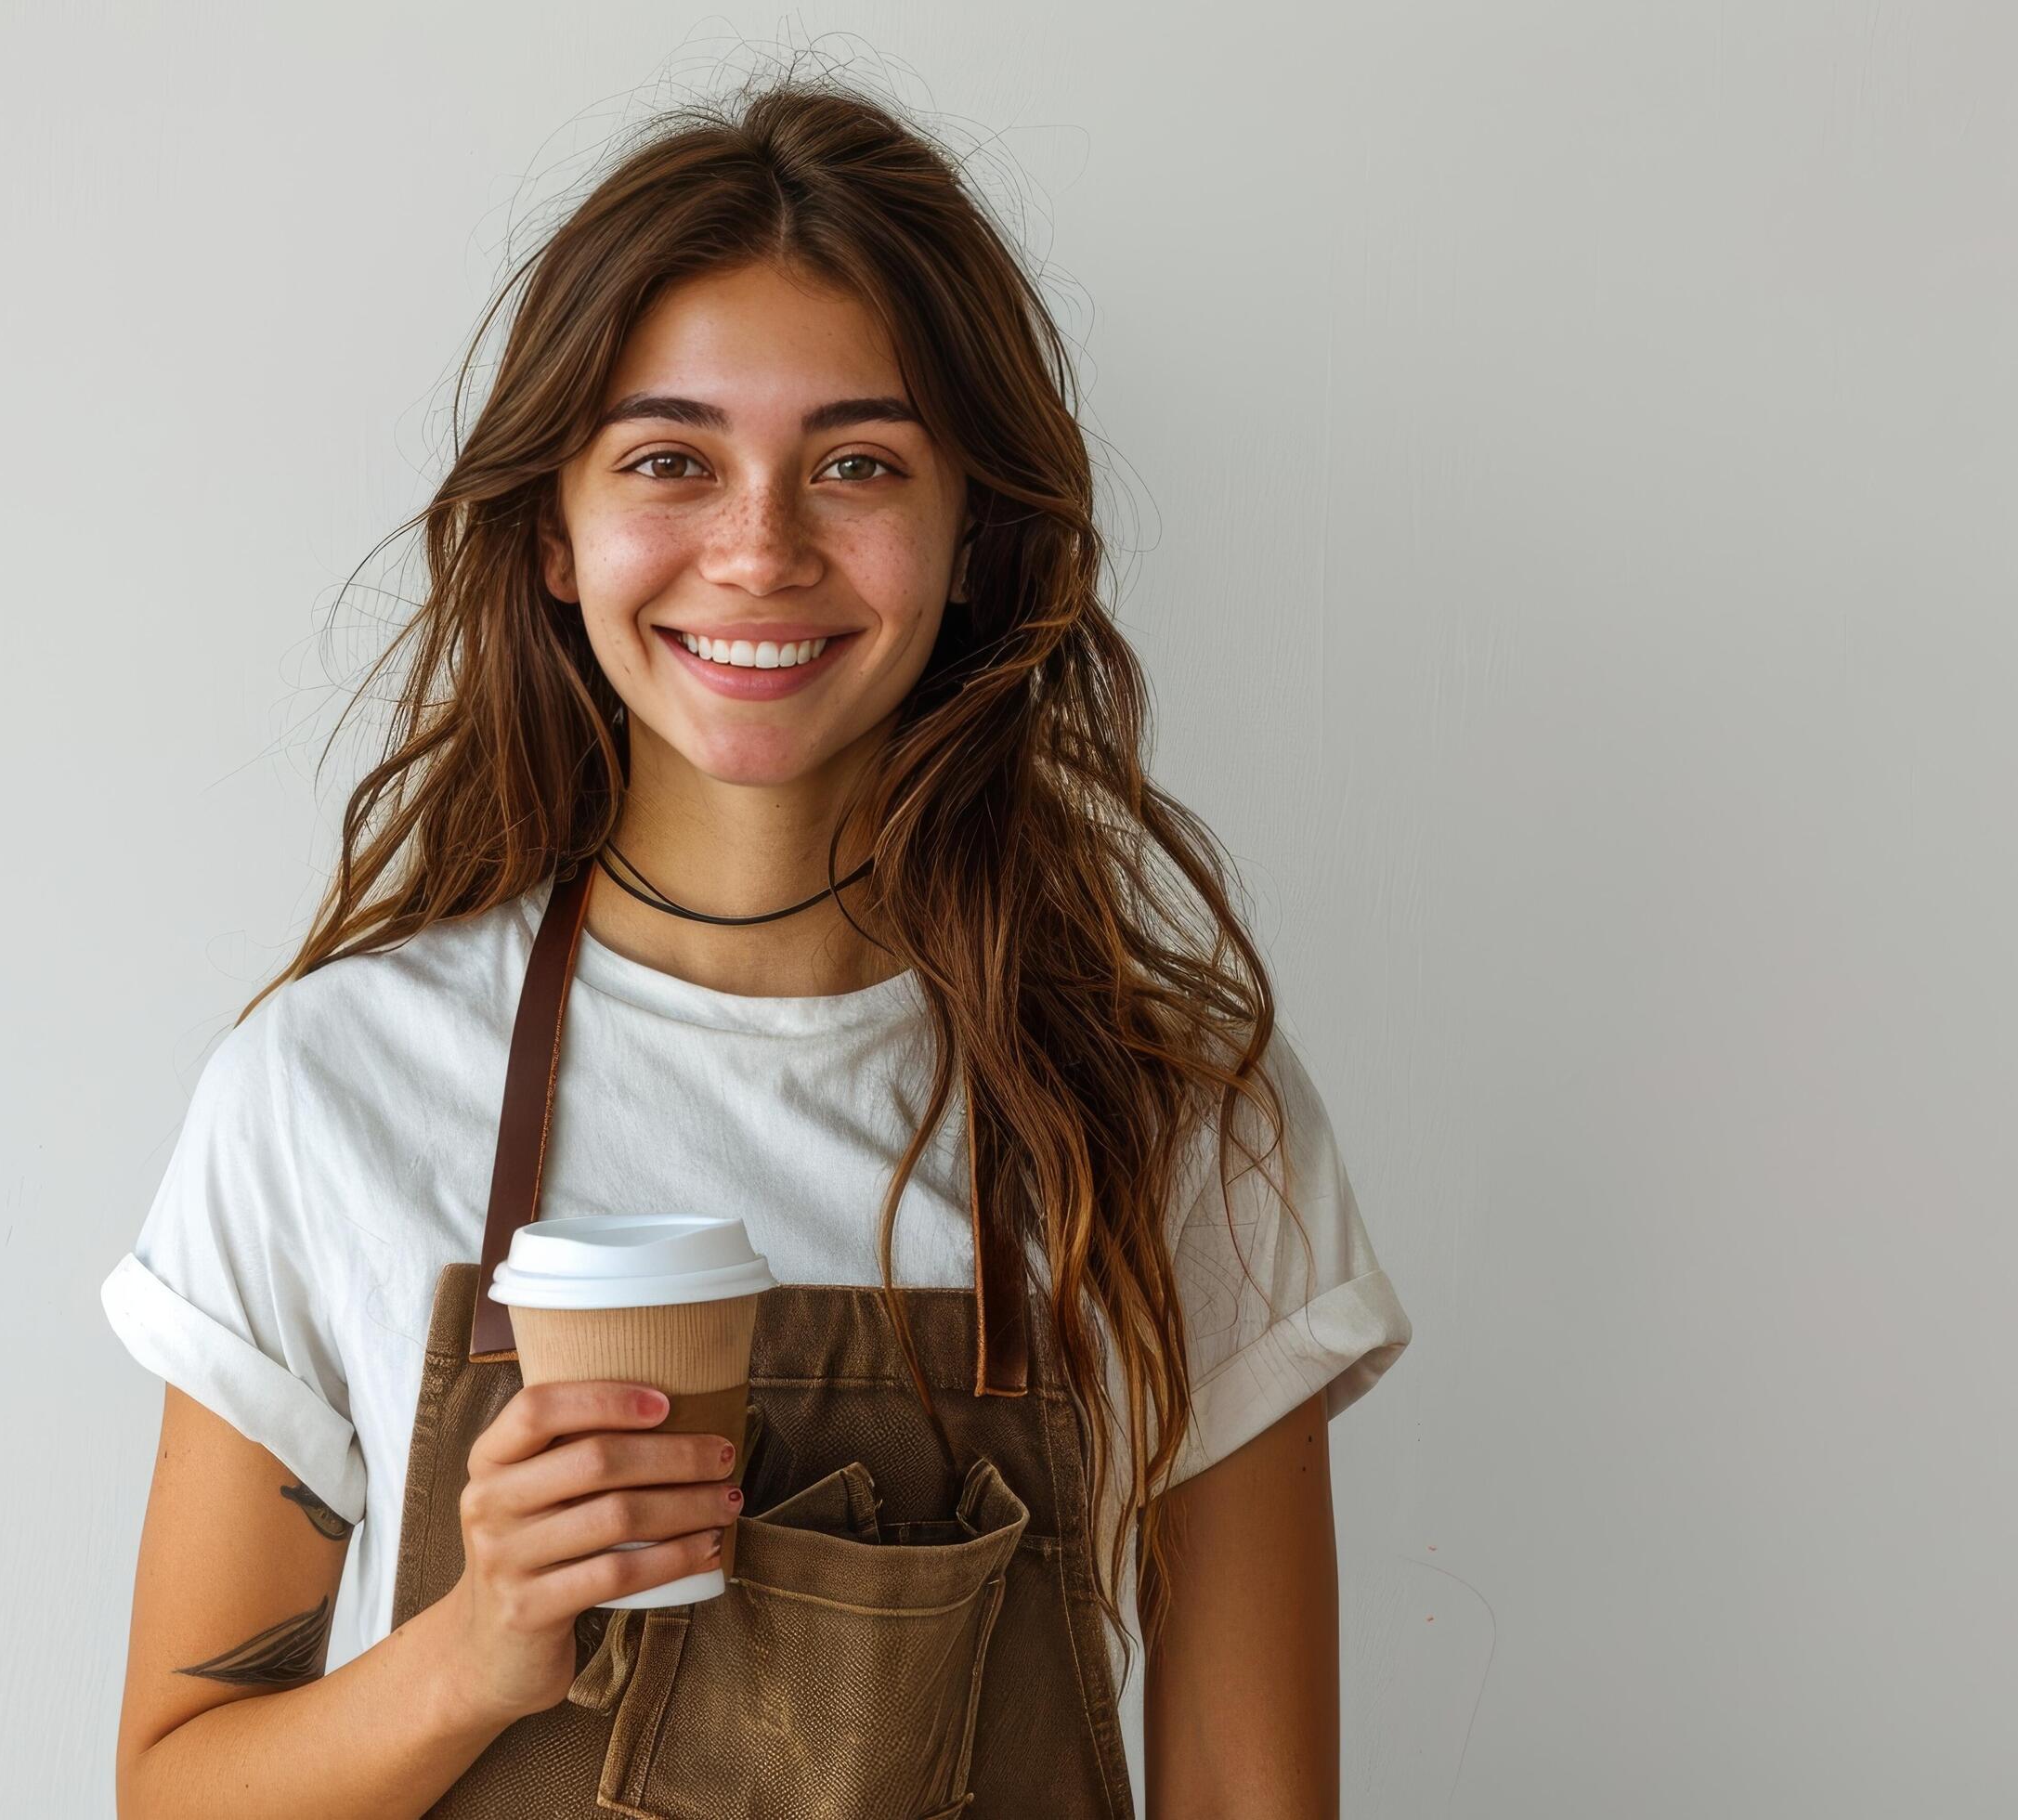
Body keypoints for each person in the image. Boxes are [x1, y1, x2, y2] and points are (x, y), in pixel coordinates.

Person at [99, 77, 1411, 1820]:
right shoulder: (331, 1089)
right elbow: (170, 1796)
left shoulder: (1178, 1120)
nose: (758, 546)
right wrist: (471, 1650)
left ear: (975, 540)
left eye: (856, 463)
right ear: (553, 538)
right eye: (669, 460)